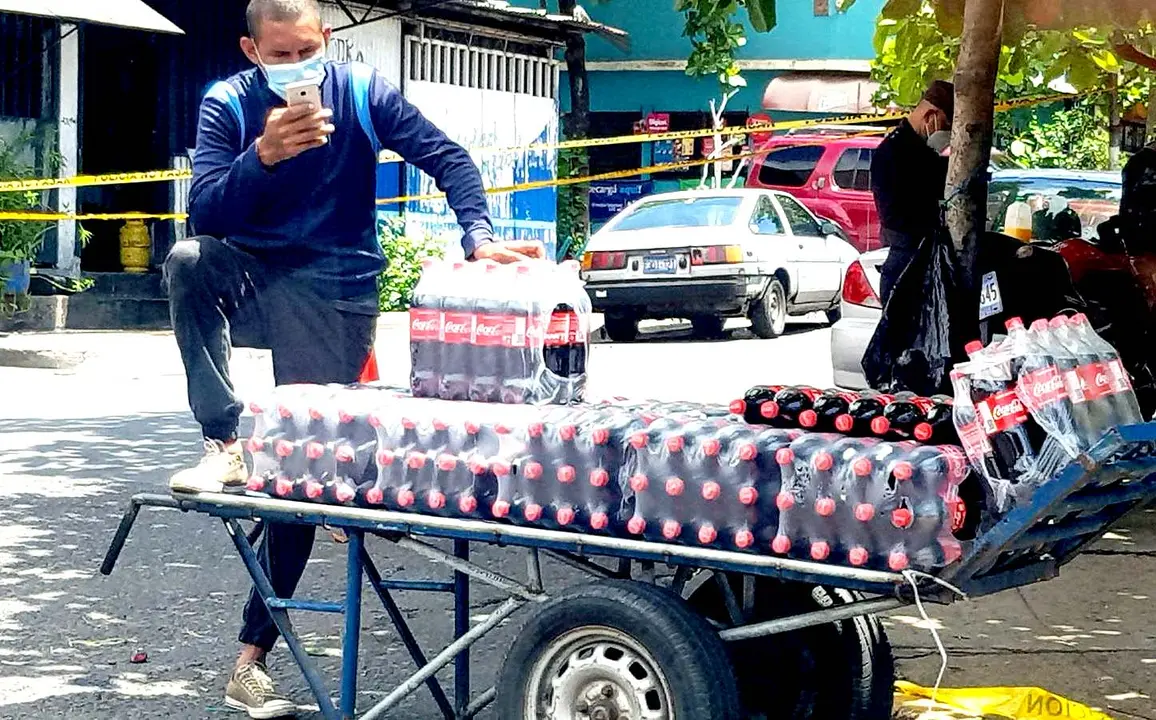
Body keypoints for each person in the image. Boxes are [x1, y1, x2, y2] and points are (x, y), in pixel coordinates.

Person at [163, 1, 543, 716]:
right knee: (187, 261)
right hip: (252, 274)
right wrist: (262, 157)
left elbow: (449, 158)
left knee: (298, 472)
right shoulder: (228, 103)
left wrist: (479, 235)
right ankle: (223, 441)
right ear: (251, 50)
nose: (295, 66)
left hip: (336, 285)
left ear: (327, 40)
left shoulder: (365, 93)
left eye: (306, 51)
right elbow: (204, 213)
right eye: (280, 56)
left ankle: (250, 660)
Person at [870, 80, 954, 304]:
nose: (948, 134)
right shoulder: (897, 153)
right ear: (930, 117)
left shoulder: (914, 150)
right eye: (946, 126)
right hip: (908, 269)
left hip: (919, 262)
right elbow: (903, 219)